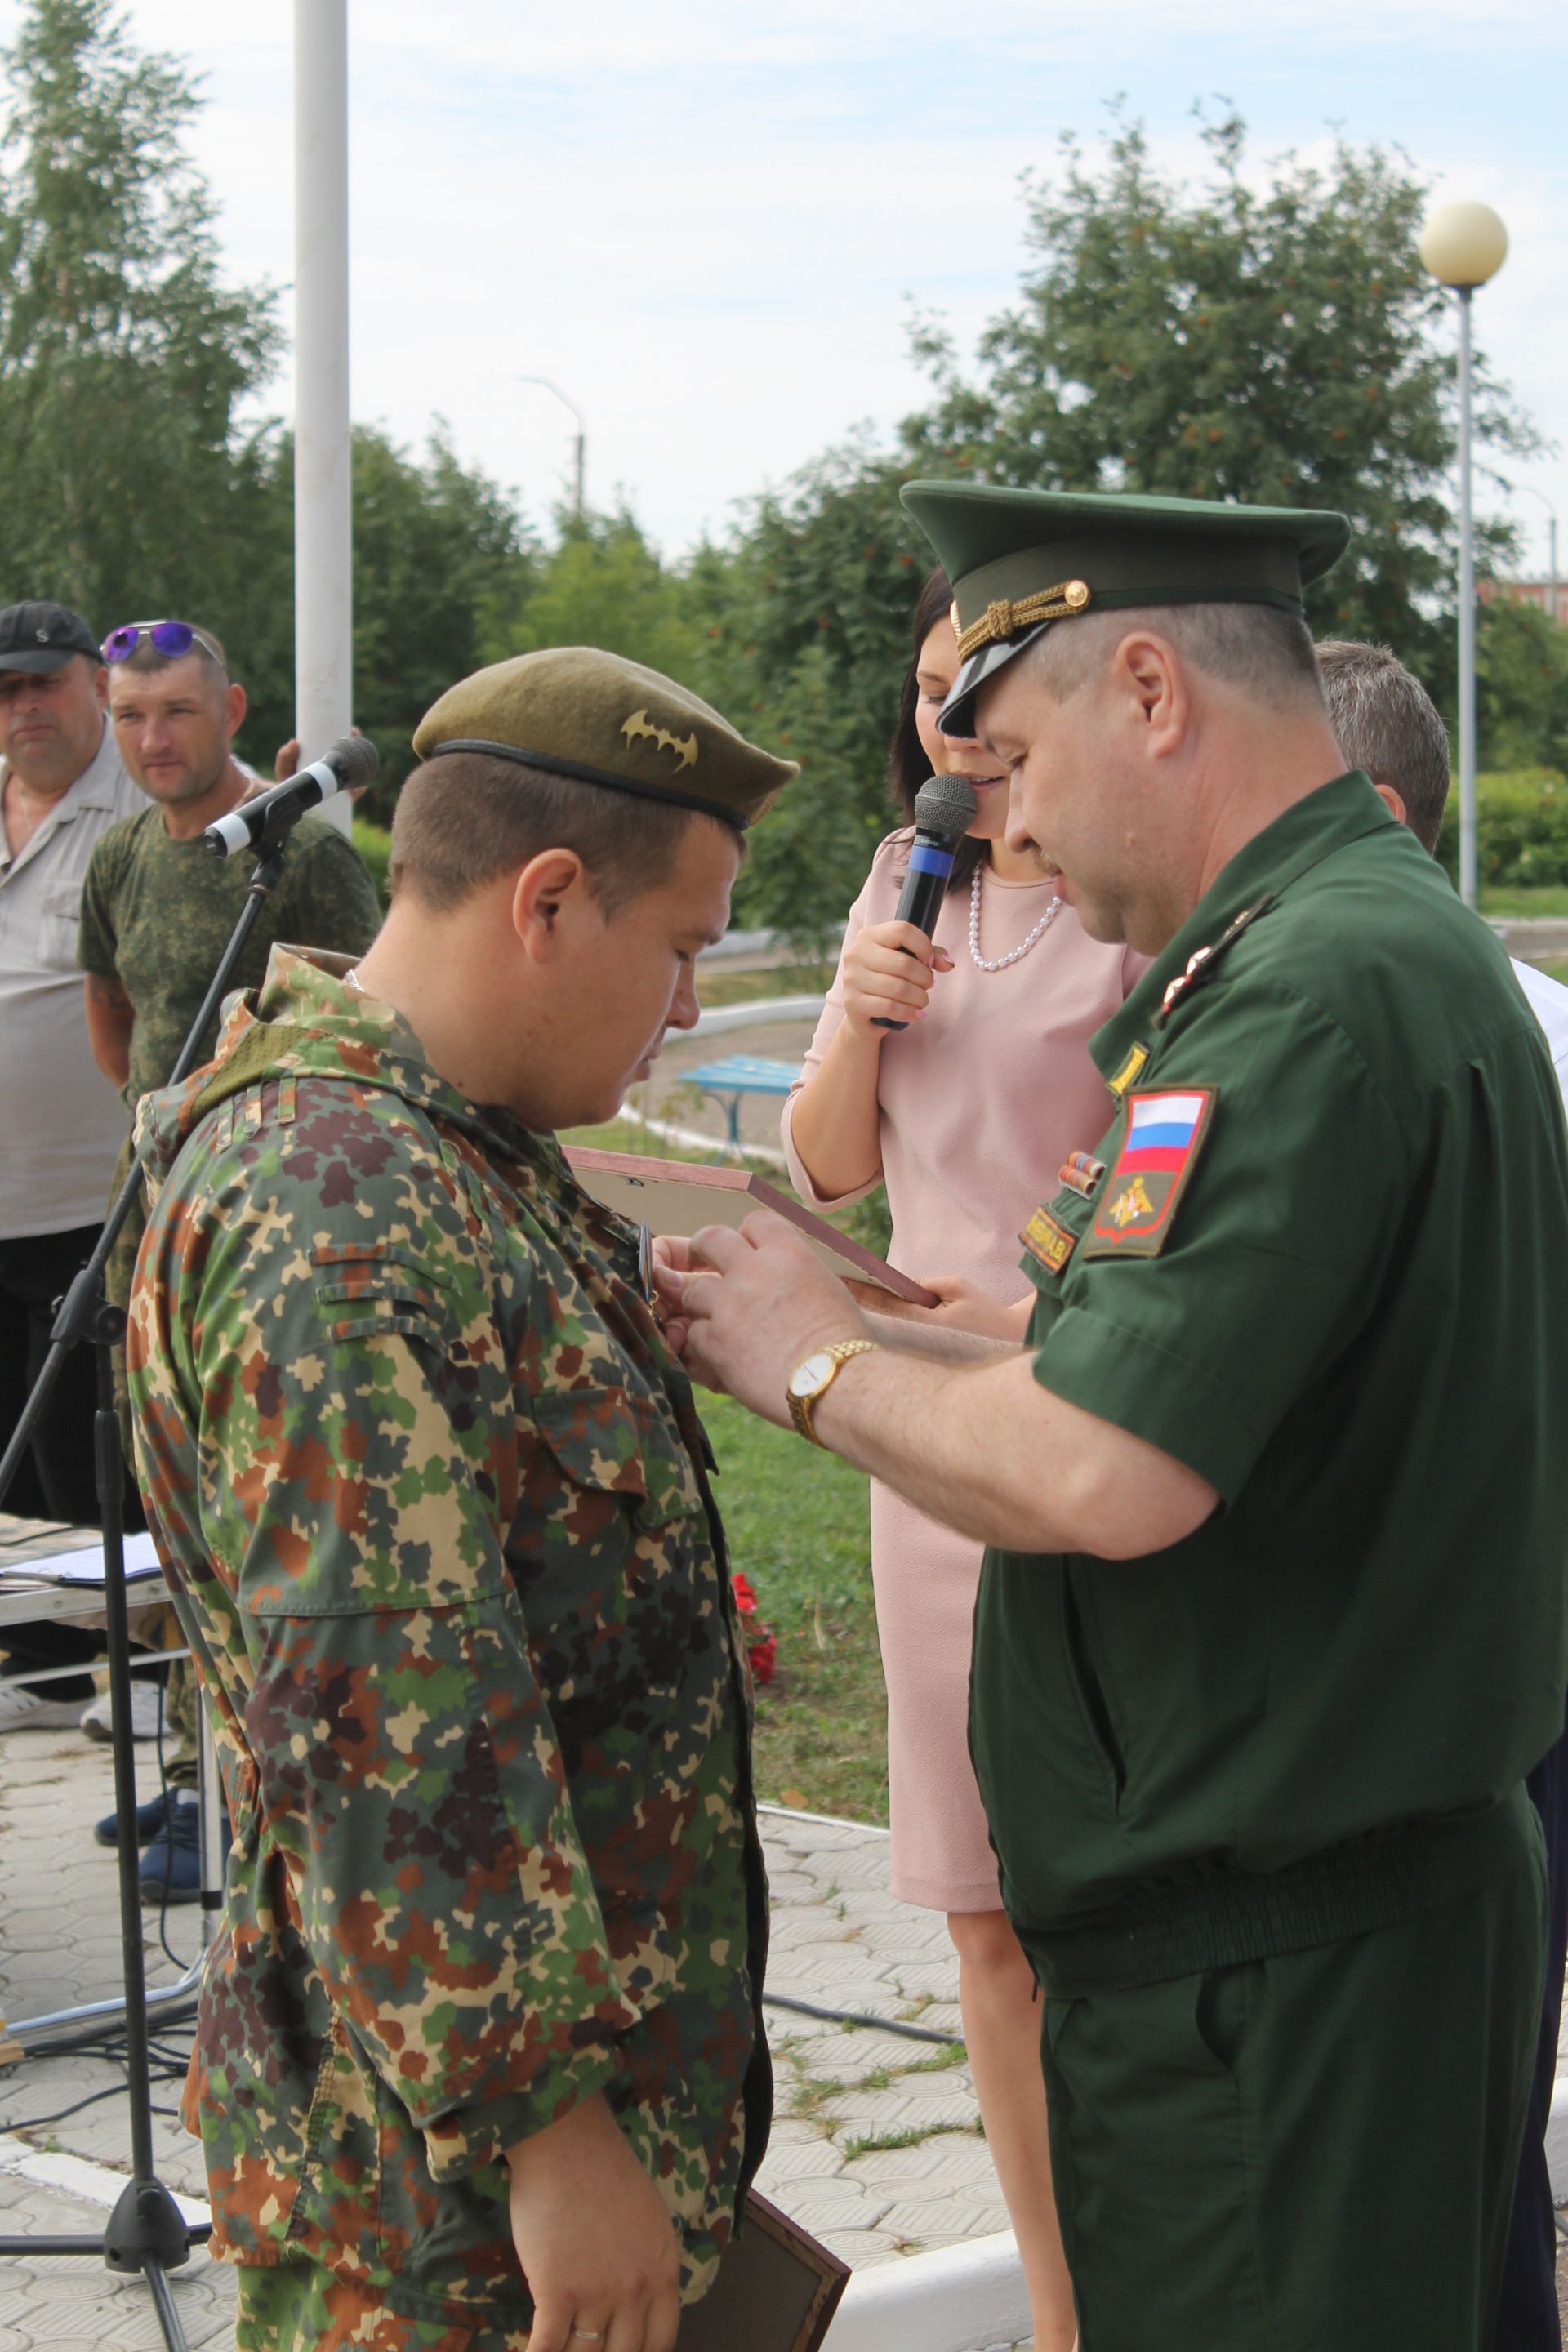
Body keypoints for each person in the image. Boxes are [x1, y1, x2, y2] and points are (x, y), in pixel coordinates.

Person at [657, 486, 1568, 2351]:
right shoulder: (1341, 946)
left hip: (1279, 1974)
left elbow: (1113, 1471)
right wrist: (883, 1321)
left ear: (1148, 688)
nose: (1014, 825)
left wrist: (807, 1370)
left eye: (1016, 758)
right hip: (1310, 1930)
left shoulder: (1303, 997)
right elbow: (1175, 1385)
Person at [125, 648, 795, 2352]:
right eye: (687, 948)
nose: (693, 1008)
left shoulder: (448, 1152)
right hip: (439, 2212)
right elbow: (379, 1718)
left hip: (508, 2158)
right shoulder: (332, 1201)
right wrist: (549, 2137)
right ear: (552, 899)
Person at [781, 563, 1139, 2348]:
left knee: (1109, 1914)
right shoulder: (893, 879)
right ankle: (1064, 2315)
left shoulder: (1128, 897)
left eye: (976, 683)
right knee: (984, 1921)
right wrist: (859, 1001)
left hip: (1080, 1416)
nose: (945, 717)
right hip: (913, 1445)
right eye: (925, 685)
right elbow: (832, 1167)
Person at [1317, 635, 1568, 2352]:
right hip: (1479, 1649)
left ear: (1383, 816)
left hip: (1490, 1664)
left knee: (1471, 2127)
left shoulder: (1453, 1028)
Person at [76, 617, 382, 1898]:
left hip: (266, 1241)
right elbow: (118, 1025)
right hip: (150, 1226)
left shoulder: (302, 854)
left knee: (268, 1523)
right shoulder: (120, 855)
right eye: (133, 715)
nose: (155, 740)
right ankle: (197, 1778)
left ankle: (258, 1796)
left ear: (233, 709)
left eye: (179, 713)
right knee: (177, 1533)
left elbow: (370, 1018)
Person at [0, 599, 145, 1731]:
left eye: (44, 683)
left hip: (92, 1202)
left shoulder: (140, 807)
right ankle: (41, 1670)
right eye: (6, 691)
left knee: (100, 1453)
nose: (26, 707)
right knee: (7, 1459)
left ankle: (144, 1680)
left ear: (94, 684)